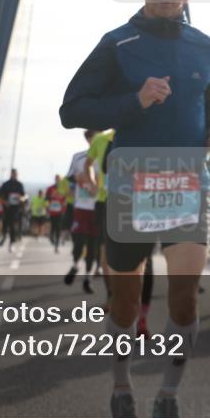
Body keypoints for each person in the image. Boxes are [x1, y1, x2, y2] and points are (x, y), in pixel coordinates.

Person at [60, 0, 210, 418]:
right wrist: (134, 102)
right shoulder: (117, 43)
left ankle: (169, 397)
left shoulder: (206, 45)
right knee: (125, 301)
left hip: (187, 181)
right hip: (133, 181)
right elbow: (71, 110)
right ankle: (121, 390)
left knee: (183, 300)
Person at [64, 131, 100, 293]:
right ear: (87, 139)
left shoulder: (106, 156)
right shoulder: (78, 157)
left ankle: (88, 277)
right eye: (92, 138)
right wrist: (79, 178)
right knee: (79, 240)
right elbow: (70, 177)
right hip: (81, 206)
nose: (94, 141)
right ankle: (74, 265)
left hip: (98, 206)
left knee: (93, 244)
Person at [86, 129, 116, 308]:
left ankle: (133, 300)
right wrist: (92, 184)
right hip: (105, 202)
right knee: (105, 255)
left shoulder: (140, 131)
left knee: (138, 259)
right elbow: (88, 164)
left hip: (134, 203)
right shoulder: (100, 139)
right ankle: (111, 295)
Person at [0, 169, 26, 253]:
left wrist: (21, 199)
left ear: (17, 174)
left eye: (15, 174)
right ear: (10, 174)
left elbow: (23, 196)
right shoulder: (6, 184)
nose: (14, 175)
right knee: (5, 223)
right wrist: (4, 202)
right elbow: (0, 195)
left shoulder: (19, 185)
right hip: (7, 208)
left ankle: (12, 243)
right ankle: (3, 236)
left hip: (16, 208)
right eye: (12, 174)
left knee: (13, 225)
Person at [46, 175, 66, 252]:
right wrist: (51, 197)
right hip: (52, 211)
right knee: (53, 226)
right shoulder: (50, 188)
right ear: (55, 180)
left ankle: (56, 245)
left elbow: (66, 198)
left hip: (60, 211)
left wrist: (64, 204)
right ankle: (51, 237)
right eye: (56, 179)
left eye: (59, 179)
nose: (57, 181)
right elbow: (46, 198)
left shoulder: (63, 189)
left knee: (58, 228)